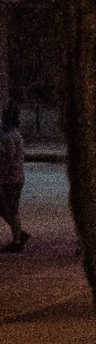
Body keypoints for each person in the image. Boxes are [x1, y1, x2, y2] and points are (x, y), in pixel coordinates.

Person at [0, 99, 27, 250]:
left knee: (11, 208)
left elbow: (8, 158)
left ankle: (17, 240)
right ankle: (18, 233)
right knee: (6, 208)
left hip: (10, 178)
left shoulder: (9, 137)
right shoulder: (15, 135)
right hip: (13, 177)